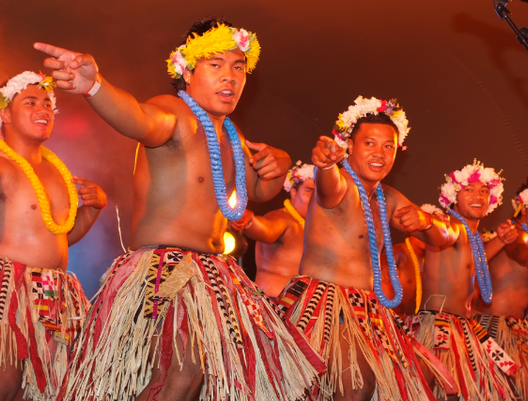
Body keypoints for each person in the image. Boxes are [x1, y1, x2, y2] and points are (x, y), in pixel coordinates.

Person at [35, 18, 324, 401]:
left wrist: (280, 164)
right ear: (186, 70)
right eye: (216, 65)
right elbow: (138, 118)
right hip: (166, 270)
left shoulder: (231, 136)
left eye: (238, 67)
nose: (230, 77)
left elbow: (256, 189)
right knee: (183, 372)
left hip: (214, 274)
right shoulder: (175, 113)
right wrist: (95, 86)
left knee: (194, 381)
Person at [277, 96, 457, 401]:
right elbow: (328, 185)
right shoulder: (341, 182)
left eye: (388, 146)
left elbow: (446, 237)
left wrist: (426, 222)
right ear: (350, 146)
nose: (380, 154)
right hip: (326, 304)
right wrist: (324, 165)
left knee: (390, 386)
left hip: (368, 311)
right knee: (355, 387)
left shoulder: (389, 197)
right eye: (370, 144)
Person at [0, 71, 106, 401]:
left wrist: (94, 208)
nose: (43, 108)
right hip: (6, 289)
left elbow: (60, 239)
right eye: (30, 102)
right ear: (4, 114)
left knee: (38, 392)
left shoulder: (57, 171)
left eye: (47, 103)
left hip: (53, 292)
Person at [407, 160, 520, 400]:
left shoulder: (474, 238)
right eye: (469, 189)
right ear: (454, 197)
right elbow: (442, 234)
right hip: (439, 327)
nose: (478, 195)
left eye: (484, 191)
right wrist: (428, 223)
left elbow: (474, 261)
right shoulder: (452, 225)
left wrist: (500, 240)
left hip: (464, 326)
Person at [473, 176, 528, 401]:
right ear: (523, 207)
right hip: (492, 326)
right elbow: (517, 250)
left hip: (516, 330)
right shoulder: (515, 233)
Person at [231, 161, 314, 299]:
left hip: (302, 309)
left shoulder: (313, 228)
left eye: (318, 192)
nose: (314, 197)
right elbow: (267, 229)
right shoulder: (281, 218)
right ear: (293, 192)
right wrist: (250, 221)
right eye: (308, 191)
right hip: (274, 305)